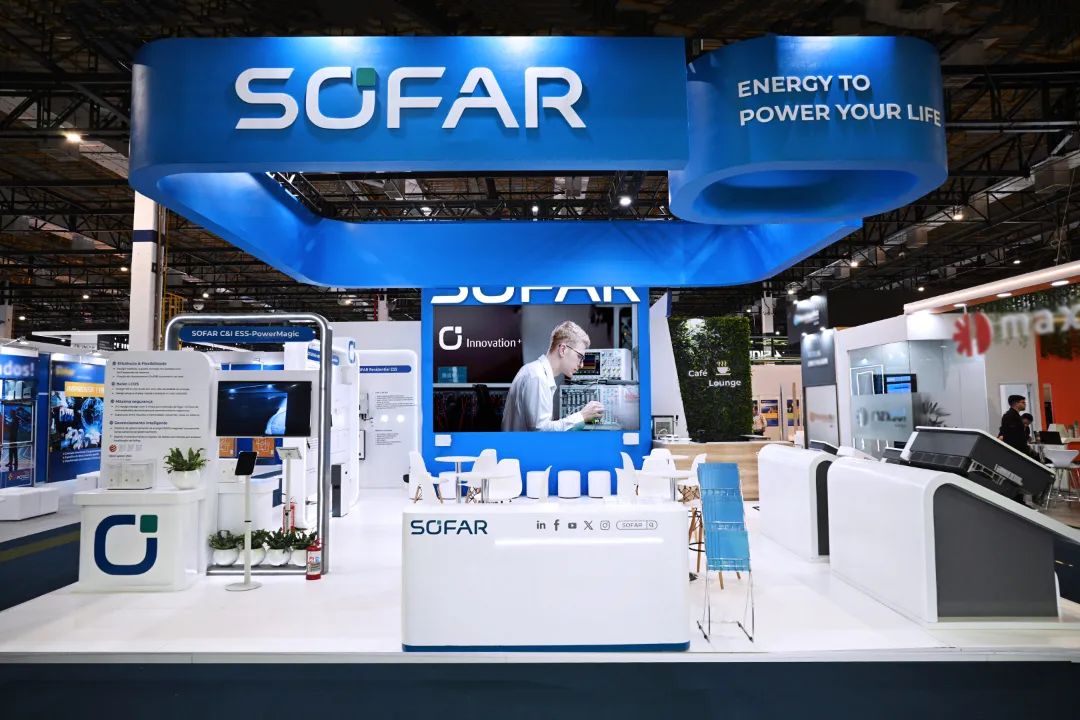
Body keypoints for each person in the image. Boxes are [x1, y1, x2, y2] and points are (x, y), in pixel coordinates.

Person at [501, 321, 604, 431]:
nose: (582, 365)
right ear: (563, 350)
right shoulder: (536, 377)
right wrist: (582, 416)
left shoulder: (538, 373)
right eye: (580, 357)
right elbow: (541, 432)